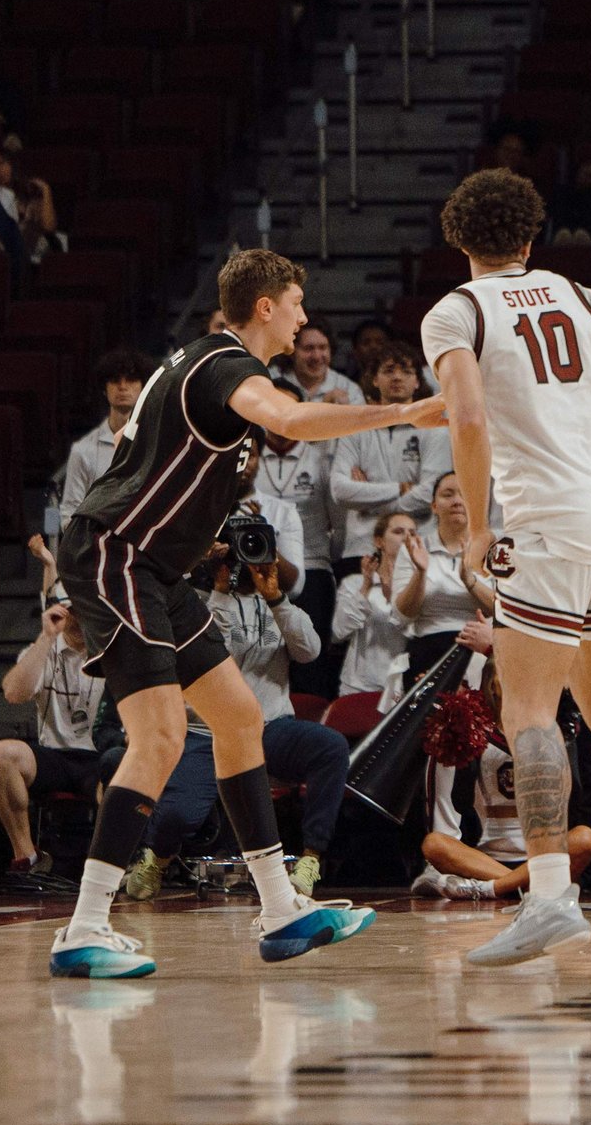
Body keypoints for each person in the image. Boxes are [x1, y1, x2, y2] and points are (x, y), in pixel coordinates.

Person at [47, 249, 443, 979]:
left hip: (157, 569)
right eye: (297, 302)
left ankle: (279, 906)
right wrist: (407, 410)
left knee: (236, 718)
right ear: (265, 306)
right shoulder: (228, 366)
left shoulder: (200, 363)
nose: (302, 316)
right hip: (118, 553)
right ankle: (84, 924)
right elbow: (291, 418)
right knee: (161, 736)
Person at [419, 168, 591, 964]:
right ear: (532, 238)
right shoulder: (583, 295)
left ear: (459, 238)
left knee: (531, 712)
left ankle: (548, 897)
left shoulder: (458, 310)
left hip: (545, 524)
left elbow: (467, 416)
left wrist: (476, 529)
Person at [197, 490, 350, 894]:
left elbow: (310, 651)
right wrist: (219, 588)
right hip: (219, 733)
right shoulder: (203, 604)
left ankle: (310, 860)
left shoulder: (277, 602)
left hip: (272, 728)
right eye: (238, 547)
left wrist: (276, 597)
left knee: (330, 746)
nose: (245, 556)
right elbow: (216, 657)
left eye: (254, 545)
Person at [417, 657, 591, 901]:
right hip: (486, 859)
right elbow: (458, 801)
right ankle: (521, 887)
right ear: (492, 685)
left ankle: (493, 889)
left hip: (541, 856)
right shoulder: (475, 731)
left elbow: (572, 801)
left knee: (585, 838)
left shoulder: (554, 730)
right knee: (435, 845)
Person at [0, 567, 106, 887]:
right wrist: (47, 637)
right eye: (72, 610)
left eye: (85, 608)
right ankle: (27, 857)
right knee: (2, 755)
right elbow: (14, 693)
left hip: (98, 755)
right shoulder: (45, 648)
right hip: (54, 753)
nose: (78, 617)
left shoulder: (111, 645)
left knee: (118, 774)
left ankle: (109, 864)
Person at [328, 340, 452, 586]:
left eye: (406, 371)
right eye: (388, 370)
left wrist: (369, 504)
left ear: (418, 381)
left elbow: (430, 493)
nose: (397, 377)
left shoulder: (434, 428)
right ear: (374, 380)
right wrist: (400, 488)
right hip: (361, 546)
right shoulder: (355, 427)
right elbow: (340, 490)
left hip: (417, 543)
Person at [332, 511, 417, 702]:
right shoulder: (355, 583)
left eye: (412, 533)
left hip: (403, 688)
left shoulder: (420, 586)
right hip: (359, 687)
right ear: (379, 541)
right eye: (398, 531)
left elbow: (415, 633)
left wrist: (390, 591)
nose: (407, 538)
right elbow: (338, 632)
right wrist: (365, 588)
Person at [59, 348, 153, 517]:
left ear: (143, 387)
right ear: (104, 388)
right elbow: (69, 512)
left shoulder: (158, 443)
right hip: (98, 539)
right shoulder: (83, 450)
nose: (123, 386)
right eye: (115, 380)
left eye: (131, 379)